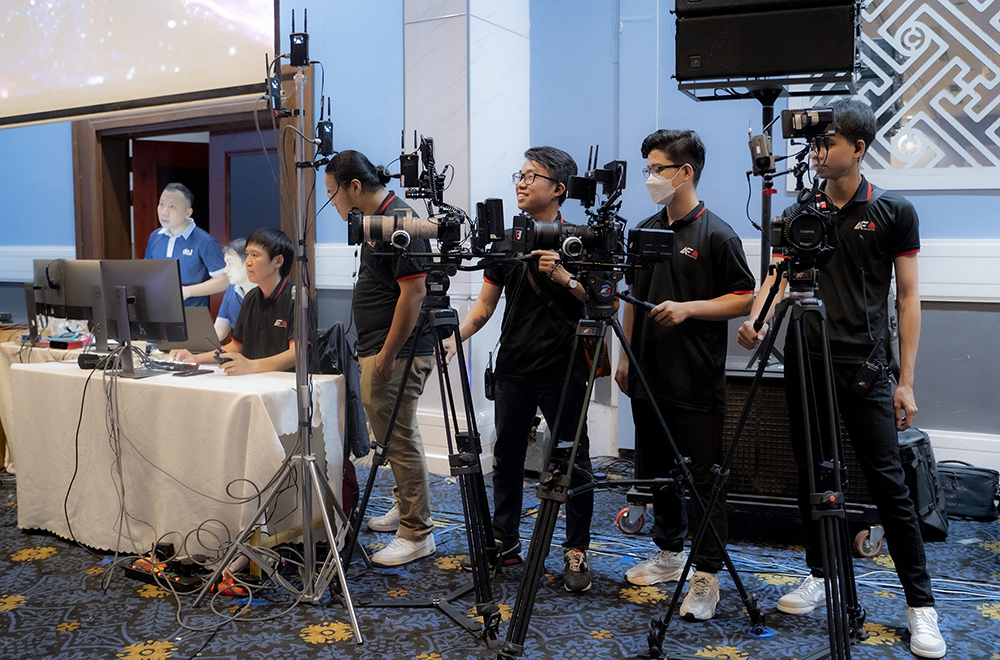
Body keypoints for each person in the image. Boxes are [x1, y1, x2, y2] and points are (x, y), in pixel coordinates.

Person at [737, 99, 945, 658]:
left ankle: (921, 606)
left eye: (828, 143)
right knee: (813, 472)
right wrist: (758, 319)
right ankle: (820, 572)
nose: (818, 152)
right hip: (807, 360)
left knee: (888, 486)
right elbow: (778, 276)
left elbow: (908, 297)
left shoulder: (893, 211)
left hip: (866, 367)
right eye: (814, 143)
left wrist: (905, 380)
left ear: (858, 147)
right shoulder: (801, 212)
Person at [614, 130, 754, 620]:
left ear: (685, 172)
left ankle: (707, 576)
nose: (650, 178)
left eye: (658, 169)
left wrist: (689, 308)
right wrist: (625, 356)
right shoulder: (644, 230)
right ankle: (670, 553)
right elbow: (630, 295)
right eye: (648, 169)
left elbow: (745, 298)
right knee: (658, 472)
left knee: (703, 480)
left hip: (695, 381)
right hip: (647, 376)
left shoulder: (717, 234)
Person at [442, 146, 595, 593]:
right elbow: (484, 307)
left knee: (572, 461)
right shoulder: (505, 241)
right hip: (512, 368)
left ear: (559, 188)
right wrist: (455, 338)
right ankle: (504, 540)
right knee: (506, 457)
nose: (522, 183)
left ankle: (576, 548)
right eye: (520, 175)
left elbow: (604, 300)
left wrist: (564, 276)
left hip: (564, 368)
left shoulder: (581, 239)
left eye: (532, 176)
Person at [324, 150, 436, 568]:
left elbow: (415, 292)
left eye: (333, 194)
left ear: (354, 187)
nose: (332, 204)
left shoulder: (398, 220)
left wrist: (388, 353)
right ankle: (405, 508)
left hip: (397, 351)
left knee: (399, 438)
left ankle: (417, 533)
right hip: (382, 346)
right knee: (393, 436)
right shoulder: (379, 221)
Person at [169, 227, 295, 375]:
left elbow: (296, 353)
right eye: (247, 255)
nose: (248, 262)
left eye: (255, 255)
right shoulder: (250, 298)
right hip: (255, 378)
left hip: (286, 380)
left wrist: (252, 366)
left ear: (278, 261)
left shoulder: (296, 298)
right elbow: (237, 345)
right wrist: (196, 358)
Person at [144, 183, 228, 306]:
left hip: (192, 312)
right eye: (161, 204)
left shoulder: (205, 241)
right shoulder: (155, 236)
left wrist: (187, 291)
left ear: (188, 213)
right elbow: (147, 272)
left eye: (172, 206)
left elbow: (223, 281)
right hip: (158, 309)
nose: (164, 211)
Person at [214, 238, 257, 342]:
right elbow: (219, 330)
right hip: (239, 349)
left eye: (230, 263)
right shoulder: (231, 290)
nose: (226, 270)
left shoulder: (269, 292)